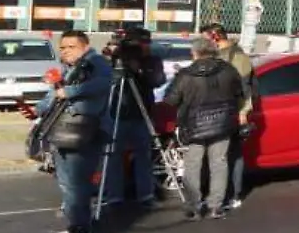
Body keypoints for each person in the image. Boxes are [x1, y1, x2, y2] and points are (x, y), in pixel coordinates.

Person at [35, 30, 113, 233]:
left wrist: (70, 91)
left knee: (77, 185)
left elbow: (103, 84)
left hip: (85, 132)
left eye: (71, 47)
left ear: (84, 46)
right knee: (67, 184)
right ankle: (74, 226)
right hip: (63, 131)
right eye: (62, 47)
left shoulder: (96, 62)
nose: (65, 51)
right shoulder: (70, 68)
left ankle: (81, 230)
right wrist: (38, 109)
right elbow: (55, 94)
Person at [167, 37, 249, 219]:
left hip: (193, 125)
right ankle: (216, 206)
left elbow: (171, 99)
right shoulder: (228, 70)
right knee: (219, 163)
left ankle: (194, 206)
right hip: (222, 123)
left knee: (192, 165)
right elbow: (240, 93)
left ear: (195, 53)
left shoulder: (186, 74)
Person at [105, 27, 165, 209]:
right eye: (142, 43)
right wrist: (113, 60)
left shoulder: (152, 61)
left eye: (147, 43)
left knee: (143, 156)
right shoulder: (116, 60)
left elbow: (157, 81)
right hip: (117, 114)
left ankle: (145, 195)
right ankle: (114, 196)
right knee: (113, 156)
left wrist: (139, 70)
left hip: (142, 114)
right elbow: (106, 82)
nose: (145, 47)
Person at [202, 23, 256, 209]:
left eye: (206, 38)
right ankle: (215, 193)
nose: (204, 42)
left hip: (232, 112)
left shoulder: (238, 57)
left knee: (233, 154)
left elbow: (246, 89)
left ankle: (233, 194)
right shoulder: (213, 56)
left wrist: (243, 112)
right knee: (216, 154)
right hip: (213, 112)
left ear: (216, 36)